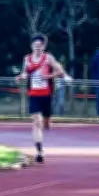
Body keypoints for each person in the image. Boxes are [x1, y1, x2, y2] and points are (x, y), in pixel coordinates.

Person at [16, 34, 71, 163]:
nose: (37, 49)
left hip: (46, 94)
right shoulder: (27, 59)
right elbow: (25, 72)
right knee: (36, 122)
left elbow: (60, 71)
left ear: (43, 47)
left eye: (40, 47)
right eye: (35, 46)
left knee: (46, 123)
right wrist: (22, 76)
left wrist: (48, 76)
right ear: (31, 46)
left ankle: (47, 121)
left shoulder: (48, 58)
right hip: (34, 94)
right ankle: (39, 150)